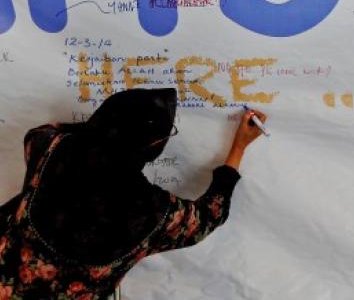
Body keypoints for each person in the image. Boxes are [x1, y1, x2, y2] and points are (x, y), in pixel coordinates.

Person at [0, 88, 267, 299]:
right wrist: (239, 147)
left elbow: (38, 133)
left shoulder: (50, 146)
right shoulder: (151, 211)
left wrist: (97, 134)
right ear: (151, 146)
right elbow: (210, 214)